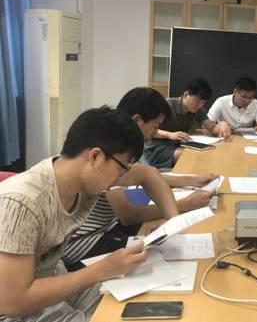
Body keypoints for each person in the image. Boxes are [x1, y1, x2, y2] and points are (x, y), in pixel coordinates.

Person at [0, 107, 156, 321]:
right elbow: (13, 303)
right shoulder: (22, 202)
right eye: (121, 170)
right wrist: (103, 269)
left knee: (138, 301)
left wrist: (151, 238)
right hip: (16, 307)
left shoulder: (80, 182)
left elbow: (148, 175)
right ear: (95, 156)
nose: (119, 179)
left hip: (52, 276)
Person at [63, 88, 217, 270]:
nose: (156, 132)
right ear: (137, 120)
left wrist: (173, 223)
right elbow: (128, 215)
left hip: (108, 226)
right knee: (161, 264)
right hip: (86, 242)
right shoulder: (111, 151)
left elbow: (147, 174)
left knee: (163, 248)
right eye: (155, 126)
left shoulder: (118, 146)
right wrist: (184, 205)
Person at [144, 78, 231, 168]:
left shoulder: (198, 110)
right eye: (196, 101)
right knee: (188, 156)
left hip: (177, 145)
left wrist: (222, 124)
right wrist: (170, 135)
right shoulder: (167, 105)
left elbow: (211, 127)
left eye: (203, 103)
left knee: (205, 153)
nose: (199, 105)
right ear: (185, 95)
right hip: (155, 148)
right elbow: (150, 130)